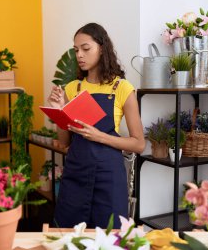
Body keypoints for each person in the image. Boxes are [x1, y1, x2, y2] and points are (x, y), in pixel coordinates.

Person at [47, 23, 145, 229]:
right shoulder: (73, 88)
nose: (79, 55)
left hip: (108, 176)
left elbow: (138, 144)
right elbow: (64, 142)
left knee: (109, 236)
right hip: (75, 172)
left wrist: (99, 136)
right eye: (76, 50)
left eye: (85, 48)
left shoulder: (122, 88)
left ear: (101, 48)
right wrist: (59, 111)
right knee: (69, 235)